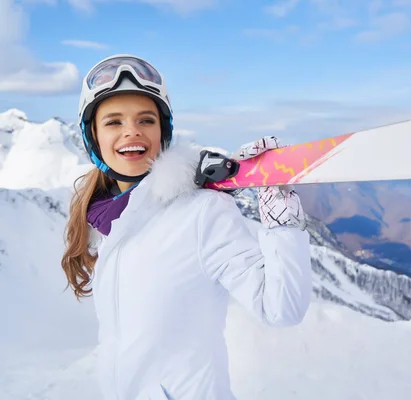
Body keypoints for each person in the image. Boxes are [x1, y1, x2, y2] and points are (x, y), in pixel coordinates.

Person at [60, 54, 312, 400]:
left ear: (163, 132)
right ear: (94, 138)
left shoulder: (202, 212)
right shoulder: (107, 224)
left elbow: (281, 307)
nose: (131, 131)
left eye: (145, 120)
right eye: (114, 122)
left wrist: (281, 218)